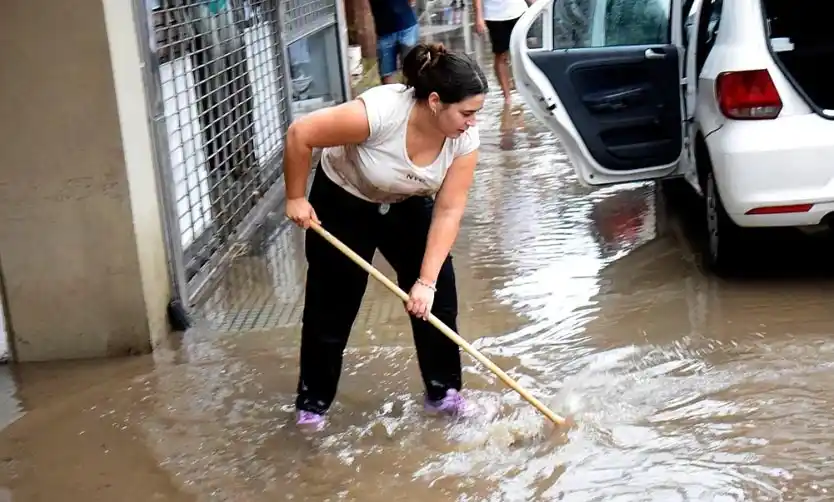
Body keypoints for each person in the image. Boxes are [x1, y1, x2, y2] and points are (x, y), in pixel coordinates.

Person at [282, 43, 488, 431]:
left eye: (476, 113)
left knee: (438, 300)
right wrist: (295, 197)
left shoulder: (464, 140)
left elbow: (449, 210)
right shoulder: (379, 113)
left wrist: (425, 282)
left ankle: (443, 393)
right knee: (332, 306)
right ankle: (313, 406)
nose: (472, 122)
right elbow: (300, 133)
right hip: (345, 198)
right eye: (466, 113)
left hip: (407, 202)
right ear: (434, 102)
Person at [473, 0, 530, 105]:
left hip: (519, 10)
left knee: (522, 53)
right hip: (495, 16)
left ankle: (523, 90)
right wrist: (478, 17)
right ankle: (507, 96)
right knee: (501, 55)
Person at [368, 0, 419, 84]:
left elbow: (412, 2)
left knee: (410, 72)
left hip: (407, 27)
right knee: (387, 75)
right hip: (385, 32)